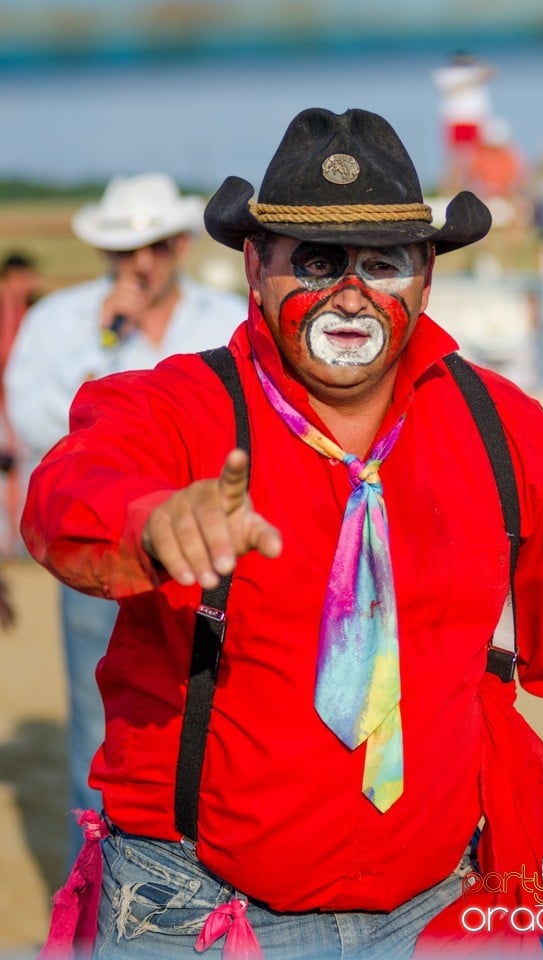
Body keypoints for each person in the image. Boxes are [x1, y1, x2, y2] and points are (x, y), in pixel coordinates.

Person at [21, 109, 543, 960]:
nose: (351, 292)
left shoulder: (501, 427)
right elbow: (69, 486)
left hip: (442, 905)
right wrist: (152, 524)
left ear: (426, 277)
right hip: (195, 912)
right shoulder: (181, 407)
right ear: (255, 268)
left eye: (381, 262)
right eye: (317, 261)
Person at [6, 172, 246, 862]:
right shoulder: (63, 324)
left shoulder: (222, 316)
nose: (140, 263)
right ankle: (99, 884)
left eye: (155, 247)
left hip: (210, 553)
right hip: (102, 548)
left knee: (208, 714)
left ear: (177, 245)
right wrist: (107, 347)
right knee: (96, 721)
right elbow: (31, 424)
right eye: (125, 249)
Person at [0, 251, 41, 554]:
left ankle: (18, 540)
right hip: (6, 397)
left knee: (22, 464)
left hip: (18, 397)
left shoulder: (30, 308)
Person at [431, 51, 497, 193]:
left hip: (474, 119)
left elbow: (493, 71)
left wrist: (475, 63)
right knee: (454, 158)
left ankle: (472, 188)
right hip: (456, 120)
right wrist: (473, 77)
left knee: (477, 158)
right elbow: (452, 88)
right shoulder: (446, 74)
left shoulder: (475, 71)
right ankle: (450, 189)